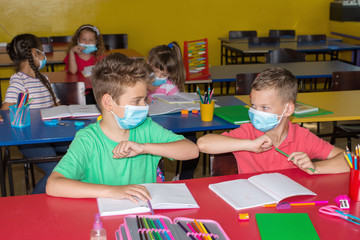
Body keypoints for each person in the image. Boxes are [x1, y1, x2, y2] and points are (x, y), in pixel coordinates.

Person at [46, 53, 199, 201]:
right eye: (136, 101)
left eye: (144, 99)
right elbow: (54, 184)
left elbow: (192, 150)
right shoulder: (88, 139)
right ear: (108, 103)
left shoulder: (146, 127)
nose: (144, 106)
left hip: (142, 212)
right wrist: (113, 191)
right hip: (101, 218)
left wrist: (144, 148)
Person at [197, 67, 349, 175]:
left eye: (265, 107)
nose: (256, 113)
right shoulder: (248, 132)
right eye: (254, 106)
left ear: (288, 110)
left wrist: (315, 166)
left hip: (289, 206)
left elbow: (351, 160)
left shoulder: (302, 137)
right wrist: (249, 145)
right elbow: (203, 143)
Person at [0, 33, 69, 194]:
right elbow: (5, 110)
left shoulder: (43, 78)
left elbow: (55, 104)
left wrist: (66, 110)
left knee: (83, 150)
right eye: (41, 51)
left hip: (52, 133)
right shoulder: (19, 80)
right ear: (33, 53)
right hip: (31, 140)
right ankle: (34, 201)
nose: (44, 55)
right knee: (56, 171)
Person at [147, 42, 198, 180]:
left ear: (169, 74)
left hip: (167, 125)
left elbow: (175, 105)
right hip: (148, 126)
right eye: (154, 70)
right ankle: (156, 175)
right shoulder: (139, 83)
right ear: (147, 64)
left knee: (191, 139)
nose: (157, 76)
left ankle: (185, 178)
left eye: (163, 74)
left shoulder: (170, 87)